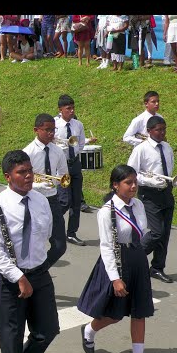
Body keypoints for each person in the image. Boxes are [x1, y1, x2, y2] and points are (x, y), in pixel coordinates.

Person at [0, 149, 59, 353]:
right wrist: (19, 276)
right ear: (7, 176)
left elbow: (46, 234)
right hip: (7, 278)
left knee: (48, 329)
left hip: (39, 273)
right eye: (21, 172)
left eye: (30, 171)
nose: (28, 176)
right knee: (11, 337)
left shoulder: (41, 201)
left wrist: (35, 269)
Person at [78, 164, 156, 353]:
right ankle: (89, 330)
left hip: (137, 259)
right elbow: (106, 247)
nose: (133, 187)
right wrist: (115, 278)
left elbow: (142, 231)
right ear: (115, 185)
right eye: (128, 182)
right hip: (117, 261)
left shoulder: (138, 205)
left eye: (135, 182)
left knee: (139, 311)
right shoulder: (106, 212)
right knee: (114, 314)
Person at [127, 115, 176, 283]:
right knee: (156, 232)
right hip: (149, 194)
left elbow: (169, 168)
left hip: (166, 192)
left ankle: (157, 267)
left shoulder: (167, 147)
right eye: (158, 130)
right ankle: (132, 259)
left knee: (165, 234)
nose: (162, 133)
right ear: (149, 131)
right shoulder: (141, 149)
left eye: (164, 129)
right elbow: (131, 173)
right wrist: (150, 181)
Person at [23, 114, 68, 269]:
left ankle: (40, 270)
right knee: (34, 244)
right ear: (36, 130)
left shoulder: (58, 151)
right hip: (33, 201)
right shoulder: (28, 152)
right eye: (47, 130)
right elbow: (21, 181)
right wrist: (37, 186)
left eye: (53, 130)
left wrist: (56, 180)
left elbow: (64, 175)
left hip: (52, 200)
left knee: (60, 245)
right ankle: (30, 272)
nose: (51, 133)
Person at [54, 94, 97, 247]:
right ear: (60, 110)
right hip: (61, 165)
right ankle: (52, 225)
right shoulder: (54, 124)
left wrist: (74, 153)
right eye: (68, 109)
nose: (71, 111)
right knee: (65, 200)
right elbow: (51, 143)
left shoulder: (78, 124)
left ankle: (71, 233)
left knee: (76, 201)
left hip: (74, 163)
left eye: (73, 108)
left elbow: (80, 143)